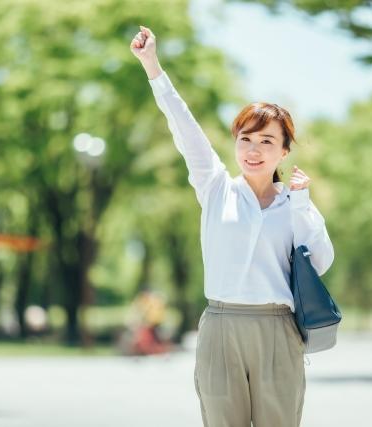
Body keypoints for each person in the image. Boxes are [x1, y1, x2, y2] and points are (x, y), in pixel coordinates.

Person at [130, 26, 334, 427]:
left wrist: (303, 205)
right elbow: (182, 125)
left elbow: (322, 262)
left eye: (266, 141)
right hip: (221, 326)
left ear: (284, 150)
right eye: (245, 139)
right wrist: (152, 66)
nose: (253, 150)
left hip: (278, 329)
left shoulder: (295, 204)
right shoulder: (215, 186)